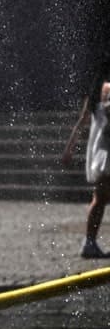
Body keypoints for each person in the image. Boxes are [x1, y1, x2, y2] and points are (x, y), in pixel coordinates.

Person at [61, 71, 110, 259]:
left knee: (101, 198)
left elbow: (82, 121)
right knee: (100, 198)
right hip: (106, 152)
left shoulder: (97, 92)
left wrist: (69, 148)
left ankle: (89, 242)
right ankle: (89, 243)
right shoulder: (106, 89)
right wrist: (69, 149)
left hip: (103, 151)